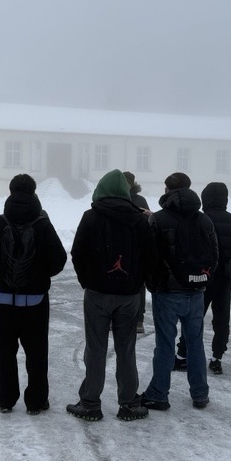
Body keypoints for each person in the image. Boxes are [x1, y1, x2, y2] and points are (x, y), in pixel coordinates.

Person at [67, 169, 157, 422]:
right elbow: (151, 256)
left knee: (95, 349)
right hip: (129, 296)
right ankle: (128, 402)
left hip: (97, 293)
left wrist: (88, 280)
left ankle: (90, 403)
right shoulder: (139, 220)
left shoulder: (91, 217)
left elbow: (78, 253)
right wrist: (137, 281)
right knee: (126, 349)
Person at [0, 174, 66, 414]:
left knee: (4, 353)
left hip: (5, 300)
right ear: (34, 192)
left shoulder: (0, 222)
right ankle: (36, 401)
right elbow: (59, 260)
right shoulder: (42, 222)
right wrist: (39, 273)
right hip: (36, 300)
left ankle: (5, 400)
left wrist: (2, 268)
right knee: (37, 353)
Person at [141, 176, 218, 411]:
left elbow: (149, 256)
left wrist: (152, 284)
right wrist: (201, 279)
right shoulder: (204, 220)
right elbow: (214, 255)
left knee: (164, 343)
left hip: (166, 291)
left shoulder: (159, 219)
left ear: (167, 190)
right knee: (195, 343)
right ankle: (200, 393)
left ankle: (159, 393)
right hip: (196, 291)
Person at [175, 182, 231, 375]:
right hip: (225, 276)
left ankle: (183, 354)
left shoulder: (200, 219)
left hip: (203, 275)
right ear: (225, 199)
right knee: (222, 316)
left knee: (194, 316)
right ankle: (217, 357)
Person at [124, 171, 151, 334]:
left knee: (136, 286)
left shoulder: (136, 200)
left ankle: (137, 319)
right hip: (135, 250)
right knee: (136, 285)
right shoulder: (140, 200)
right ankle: (136, 319)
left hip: (130, 249)